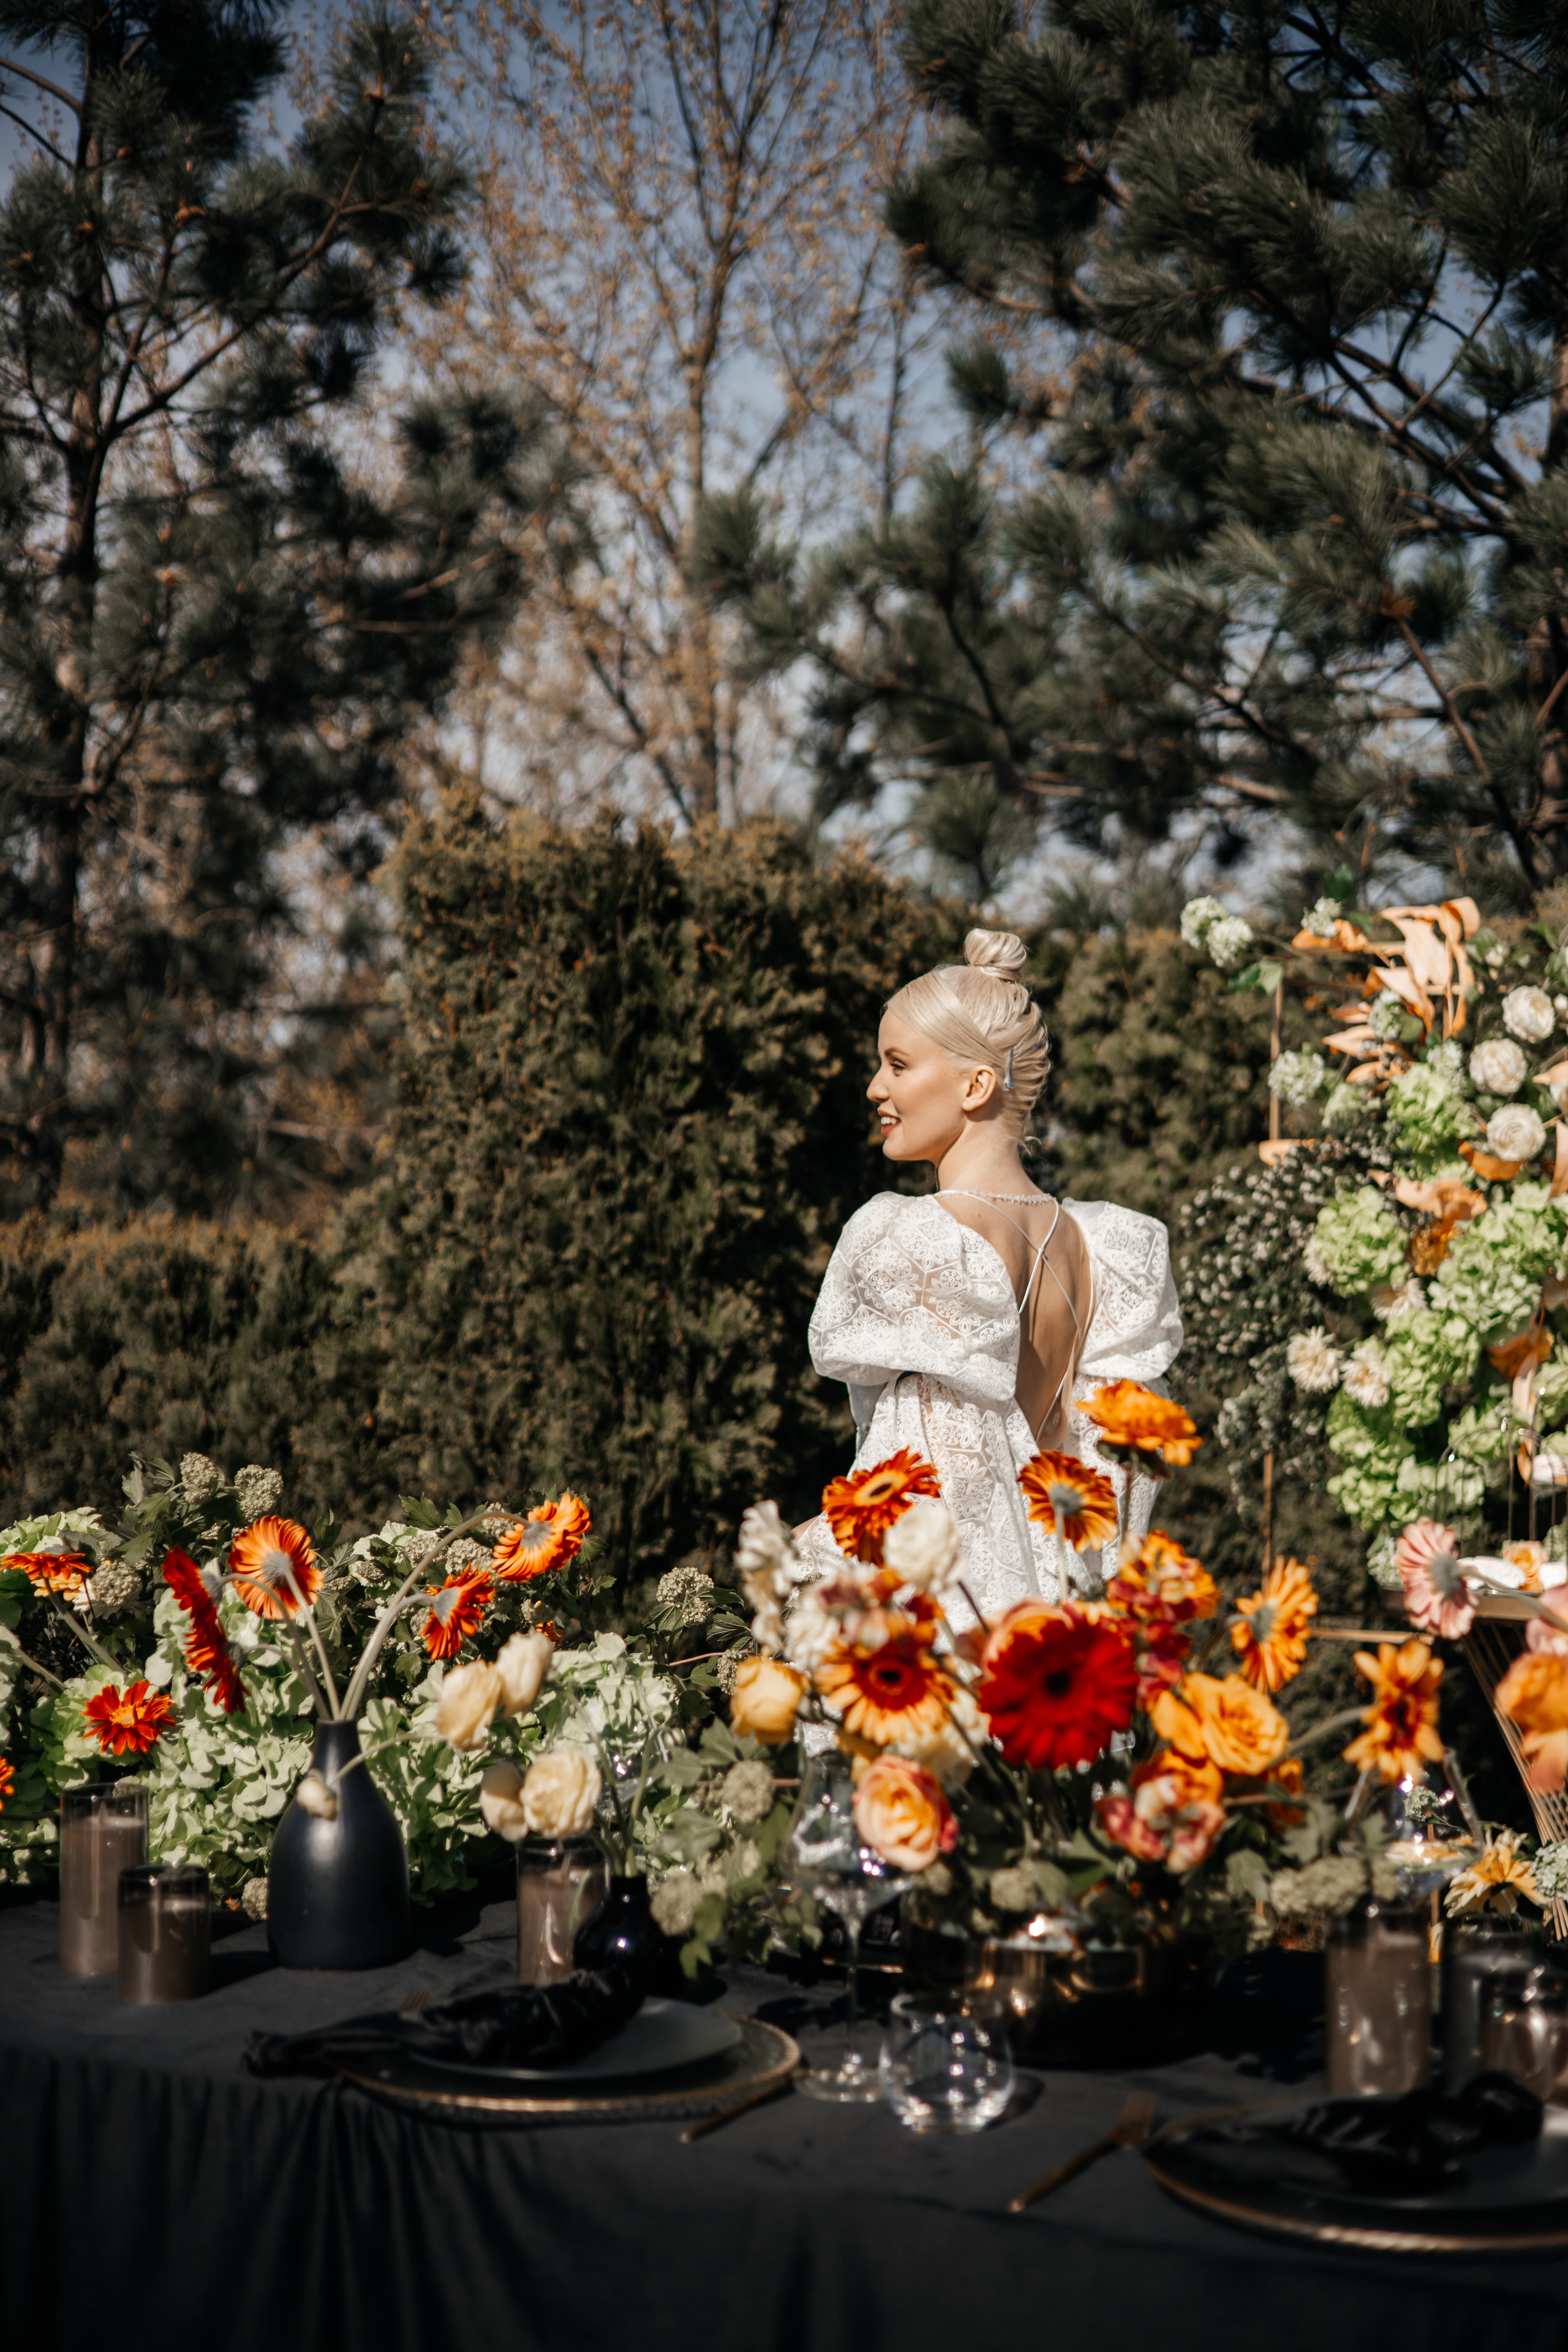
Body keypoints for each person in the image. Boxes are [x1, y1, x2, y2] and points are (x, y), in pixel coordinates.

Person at [797, 927, 1181, 1621]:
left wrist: (809, 1551)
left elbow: (923, 1480)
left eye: (897, 1064)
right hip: (1052, 1604)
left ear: (976, 1084)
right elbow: (1100, 1471)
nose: (875, 1087)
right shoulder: (1097, 1248)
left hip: (957, 1623)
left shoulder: (923, 1240)